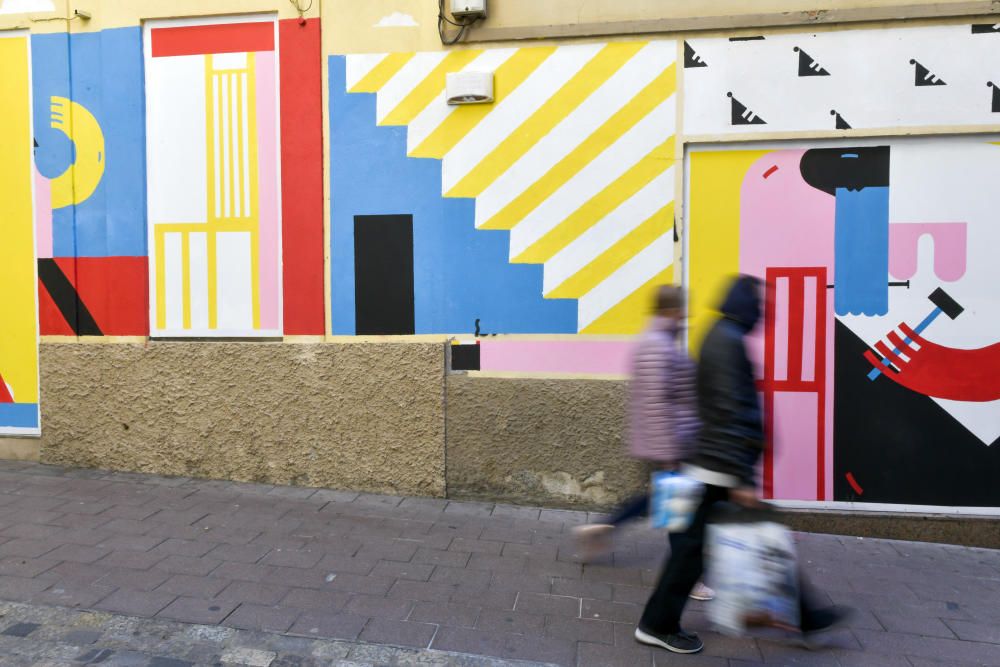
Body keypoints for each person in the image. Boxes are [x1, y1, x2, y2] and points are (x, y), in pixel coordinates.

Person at [634, 275, 849, 655]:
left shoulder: (720, 336)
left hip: (712, 464)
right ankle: (657, 624)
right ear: (745, 306)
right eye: (760, 305)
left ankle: (659, 623)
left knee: (694, 550)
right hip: (718, 469)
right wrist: (744, 477)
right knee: (747, 541)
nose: (765, 312)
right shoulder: (728, 343)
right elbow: (733, 413)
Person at [573, 285, 714, 601]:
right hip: (670, 444)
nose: (687, 314)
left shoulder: (661, 341)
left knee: (665, 504)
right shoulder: (658, 346)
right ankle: (686, 578)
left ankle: (603, 529)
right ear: (671, 310)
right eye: (682, 308)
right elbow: (656, 403)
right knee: (681, 512)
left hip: (672, 441)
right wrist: (669, 454)